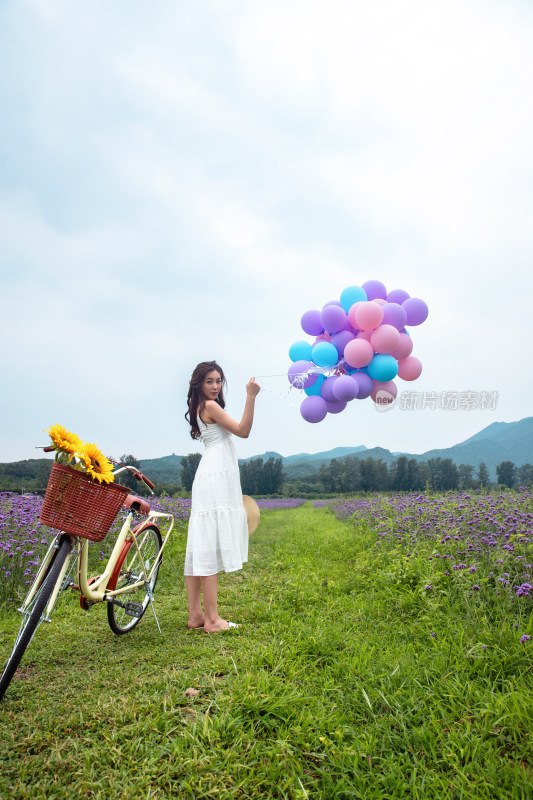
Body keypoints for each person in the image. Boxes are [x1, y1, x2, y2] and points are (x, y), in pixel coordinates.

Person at [184, 361, 260, 633]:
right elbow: (243, 430)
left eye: (218, 381)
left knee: (201, 543)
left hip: (210, 473)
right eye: (209, 381)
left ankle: (196, 615)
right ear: (199, 384)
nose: (215, 386)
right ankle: (213, 620)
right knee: (209, 544)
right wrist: (251, 396)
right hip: (216, 476)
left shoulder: (200, 406)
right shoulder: (211, 406)